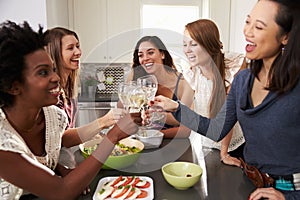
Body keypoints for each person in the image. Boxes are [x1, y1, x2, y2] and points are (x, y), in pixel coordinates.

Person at [150, 0, 300, 199]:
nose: (248, 32)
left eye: (259, 27)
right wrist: (176, 107)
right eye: (248, 22)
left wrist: (288, 197)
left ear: (286, 37)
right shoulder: (242, 81)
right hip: (252, 183)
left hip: (289, 191)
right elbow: (216, 130)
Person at [0, 21, 138, 199]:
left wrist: (58, 169)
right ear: (14, 86)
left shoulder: (53, 116)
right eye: (43, 72)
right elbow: (61, 191)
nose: (56, 78)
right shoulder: (3, 141)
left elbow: (49, 151)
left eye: (53, 70)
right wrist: (114, 135)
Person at [182, 19, 245, 167]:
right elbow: (189, 107)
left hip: (233, 146)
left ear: (208, 45)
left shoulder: (232, 69)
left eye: (193, 44)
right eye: (185, 44)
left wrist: (224, 153)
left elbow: (228, 114)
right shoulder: (192, 72)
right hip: (205, 143)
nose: (187, 50)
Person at [126, 36, 194, 138]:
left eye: (150, 52)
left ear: (162, 54)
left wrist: (154, 134)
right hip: (140, 141)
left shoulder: (183, 83)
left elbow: (186, 129)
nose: (145, 58)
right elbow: (128, 114)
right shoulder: (135, 77)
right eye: (141, 55)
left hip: (173, 143)